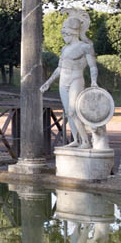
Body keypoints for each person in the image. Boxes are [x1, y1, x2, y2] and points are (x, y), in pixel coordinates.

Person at [41, 10, 99, 148]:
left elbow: (93, 66)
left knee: (74, 110)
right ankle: (76, 140)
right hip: (64, 80)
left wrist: (93, 81)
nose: (64, 36)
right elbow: (60, 68)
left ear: (74, 33)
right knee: (68, 112)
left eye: (66, 34)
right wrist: (48, 83)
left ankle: (86, 141)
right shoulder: (64, 49)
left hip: (76, 79)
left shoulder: (85, 47)